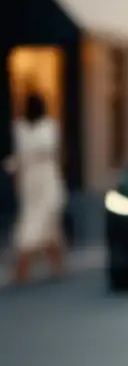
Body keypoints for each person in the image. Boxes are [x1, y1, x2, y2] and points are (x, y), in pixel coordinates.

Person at [2, 92, 67, 282]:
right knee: (38, 224)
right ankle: (37, 267)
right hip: (39, 179)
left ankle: (35, 268)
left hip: (40, 179)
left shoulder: (26, 128)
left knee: (45, 225)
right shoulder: (41, 127)